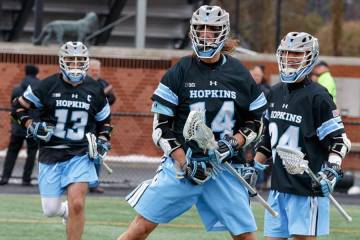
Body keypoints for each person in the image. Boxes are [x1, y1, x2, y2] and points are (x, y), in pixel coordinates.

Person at [118, 5, 267, 240]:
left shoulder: (239, 72)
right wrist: (185, 163)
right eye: (200, 27)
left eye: (212, 28)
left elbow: (256, 121)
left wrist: (234, 143)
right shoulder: (180, 71)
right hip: (183, 167)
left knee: (245, 236)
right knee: (139, 228)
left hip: (224, 168)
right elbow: (160, 128)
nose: (205, 33)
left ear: (223, 32)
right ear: (192, 31)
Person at [253, 32, 351, 239]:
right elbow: (268, 140)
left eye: (297, 54)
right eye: (287, 53)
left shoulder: (319, 96)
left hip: (307, 189)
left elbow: (339, 140)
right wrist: (254, 166)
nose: (290, 58)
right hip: (278, 188)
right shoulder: (275, 92)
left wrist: (332, 170)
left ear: (310, 57)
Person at [11, 41, 112, 240]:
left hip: (80, 153)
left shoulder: (94, 89)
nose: (75, 64)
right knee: (50, 209)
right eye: (70, 60)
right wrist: (31, 125)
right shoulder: (47, 85)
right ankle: (64, 212)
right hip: (51, 153)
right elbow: (17, 108)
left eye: (79, 60)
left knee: (78, 203)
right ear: (61, 61)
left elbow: (105, 122)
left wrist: (102, 140)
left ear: (86, 62)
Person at [0, 65, 40, 186]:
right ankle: (26, 179)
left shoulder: (17, 88)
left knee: (12, 152)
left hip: (18, 126)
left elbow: (14, 106)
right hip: (33, 125)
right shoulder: (39, 87)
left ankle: (5, 177)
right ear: (37, 74)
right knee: (32, 153)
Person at [87, 58, 116, 194]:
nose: (95, 73)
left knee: (98, 152)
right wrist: (102, 94)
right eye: (92, 70)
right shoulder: (83, 83)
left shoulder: (103, 83)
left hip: (99, 124)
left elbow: (112, 99)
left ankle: (93, 183)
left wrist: (103, 97)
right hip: (85, 124)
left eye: (97, 70)